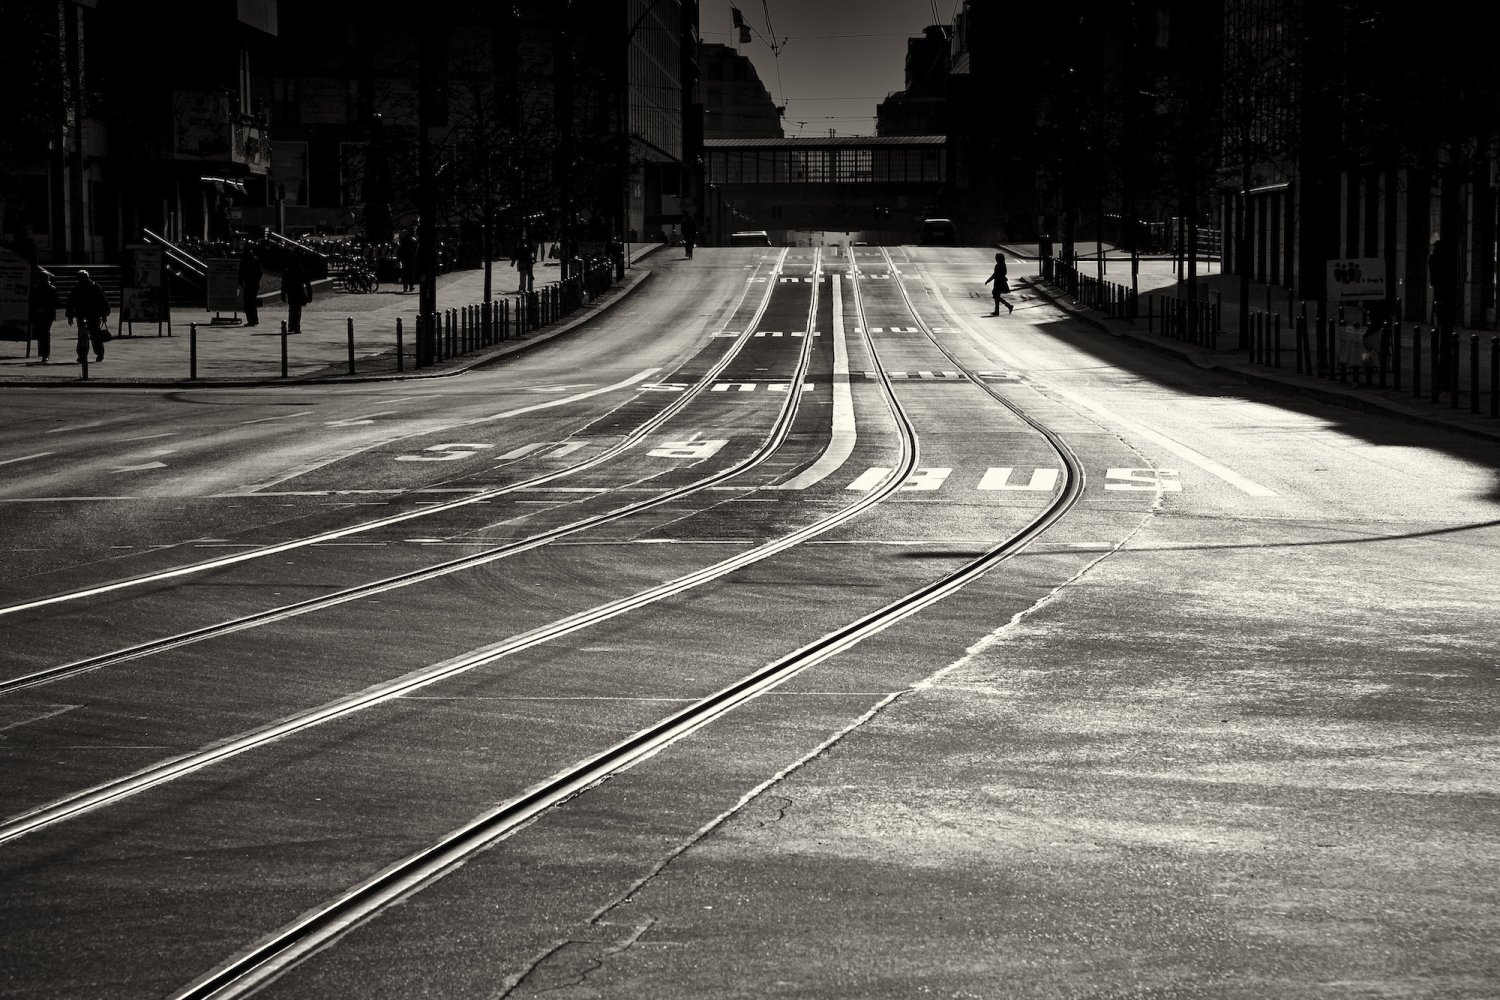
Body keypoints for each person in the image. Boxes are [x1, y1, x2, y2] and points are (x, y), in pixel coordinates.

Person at [65, 269, 111, 363]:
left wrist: (104, 314)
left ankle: (95, 353)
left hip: (92, 314)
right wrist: (70, 315)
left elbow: (103, 301)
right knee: (86, 336)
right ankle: (85, 354)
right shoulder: (83, 287)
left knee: (93, 335)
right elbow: (71, 303)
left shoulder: (92, 287)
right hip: (85, 314)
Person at [30, 269, 58, 363]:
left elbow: (55, 302)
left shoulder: (38, 288)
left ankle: (45, 353)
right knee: (43, 333)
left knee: (44, 333)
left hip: (45, 314)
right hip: (45, 313)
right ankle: (44, 353)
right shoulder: (50, 288)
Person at [281, 255, 312, 333]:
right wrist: (310, 295)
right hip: (299, 291)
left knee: (292, 309)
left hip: (291, 291)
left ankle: (291, 326)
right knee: (297, 310)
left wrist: (283, 294)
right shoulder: (301, 271)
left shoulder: (287, 271)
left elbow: (284, 284)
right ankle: (296, 326)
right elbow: (308, 284)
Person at [238, 246, 263, 326]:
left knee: (248, 302)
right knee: (252, 302)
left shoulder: (244, 261)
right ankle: (254, 319)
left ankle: (251, 320)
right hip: (254, 283)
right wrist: (256, 280)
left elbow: (241, 273)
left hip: (248, 283)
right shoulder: (255, 260)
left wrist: (241, 282)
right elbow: (260, 273)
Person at [398, 228, 417, 292]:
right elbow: (415, 250)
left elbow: (400, 250)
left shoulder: (403, 240)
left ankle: (405, 287)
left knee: (405, 273)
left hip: (405, 258)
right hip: (411, 258)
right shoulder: (413, 240)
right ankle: (411, 286)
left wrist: (400, 258)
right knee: (411, 273)